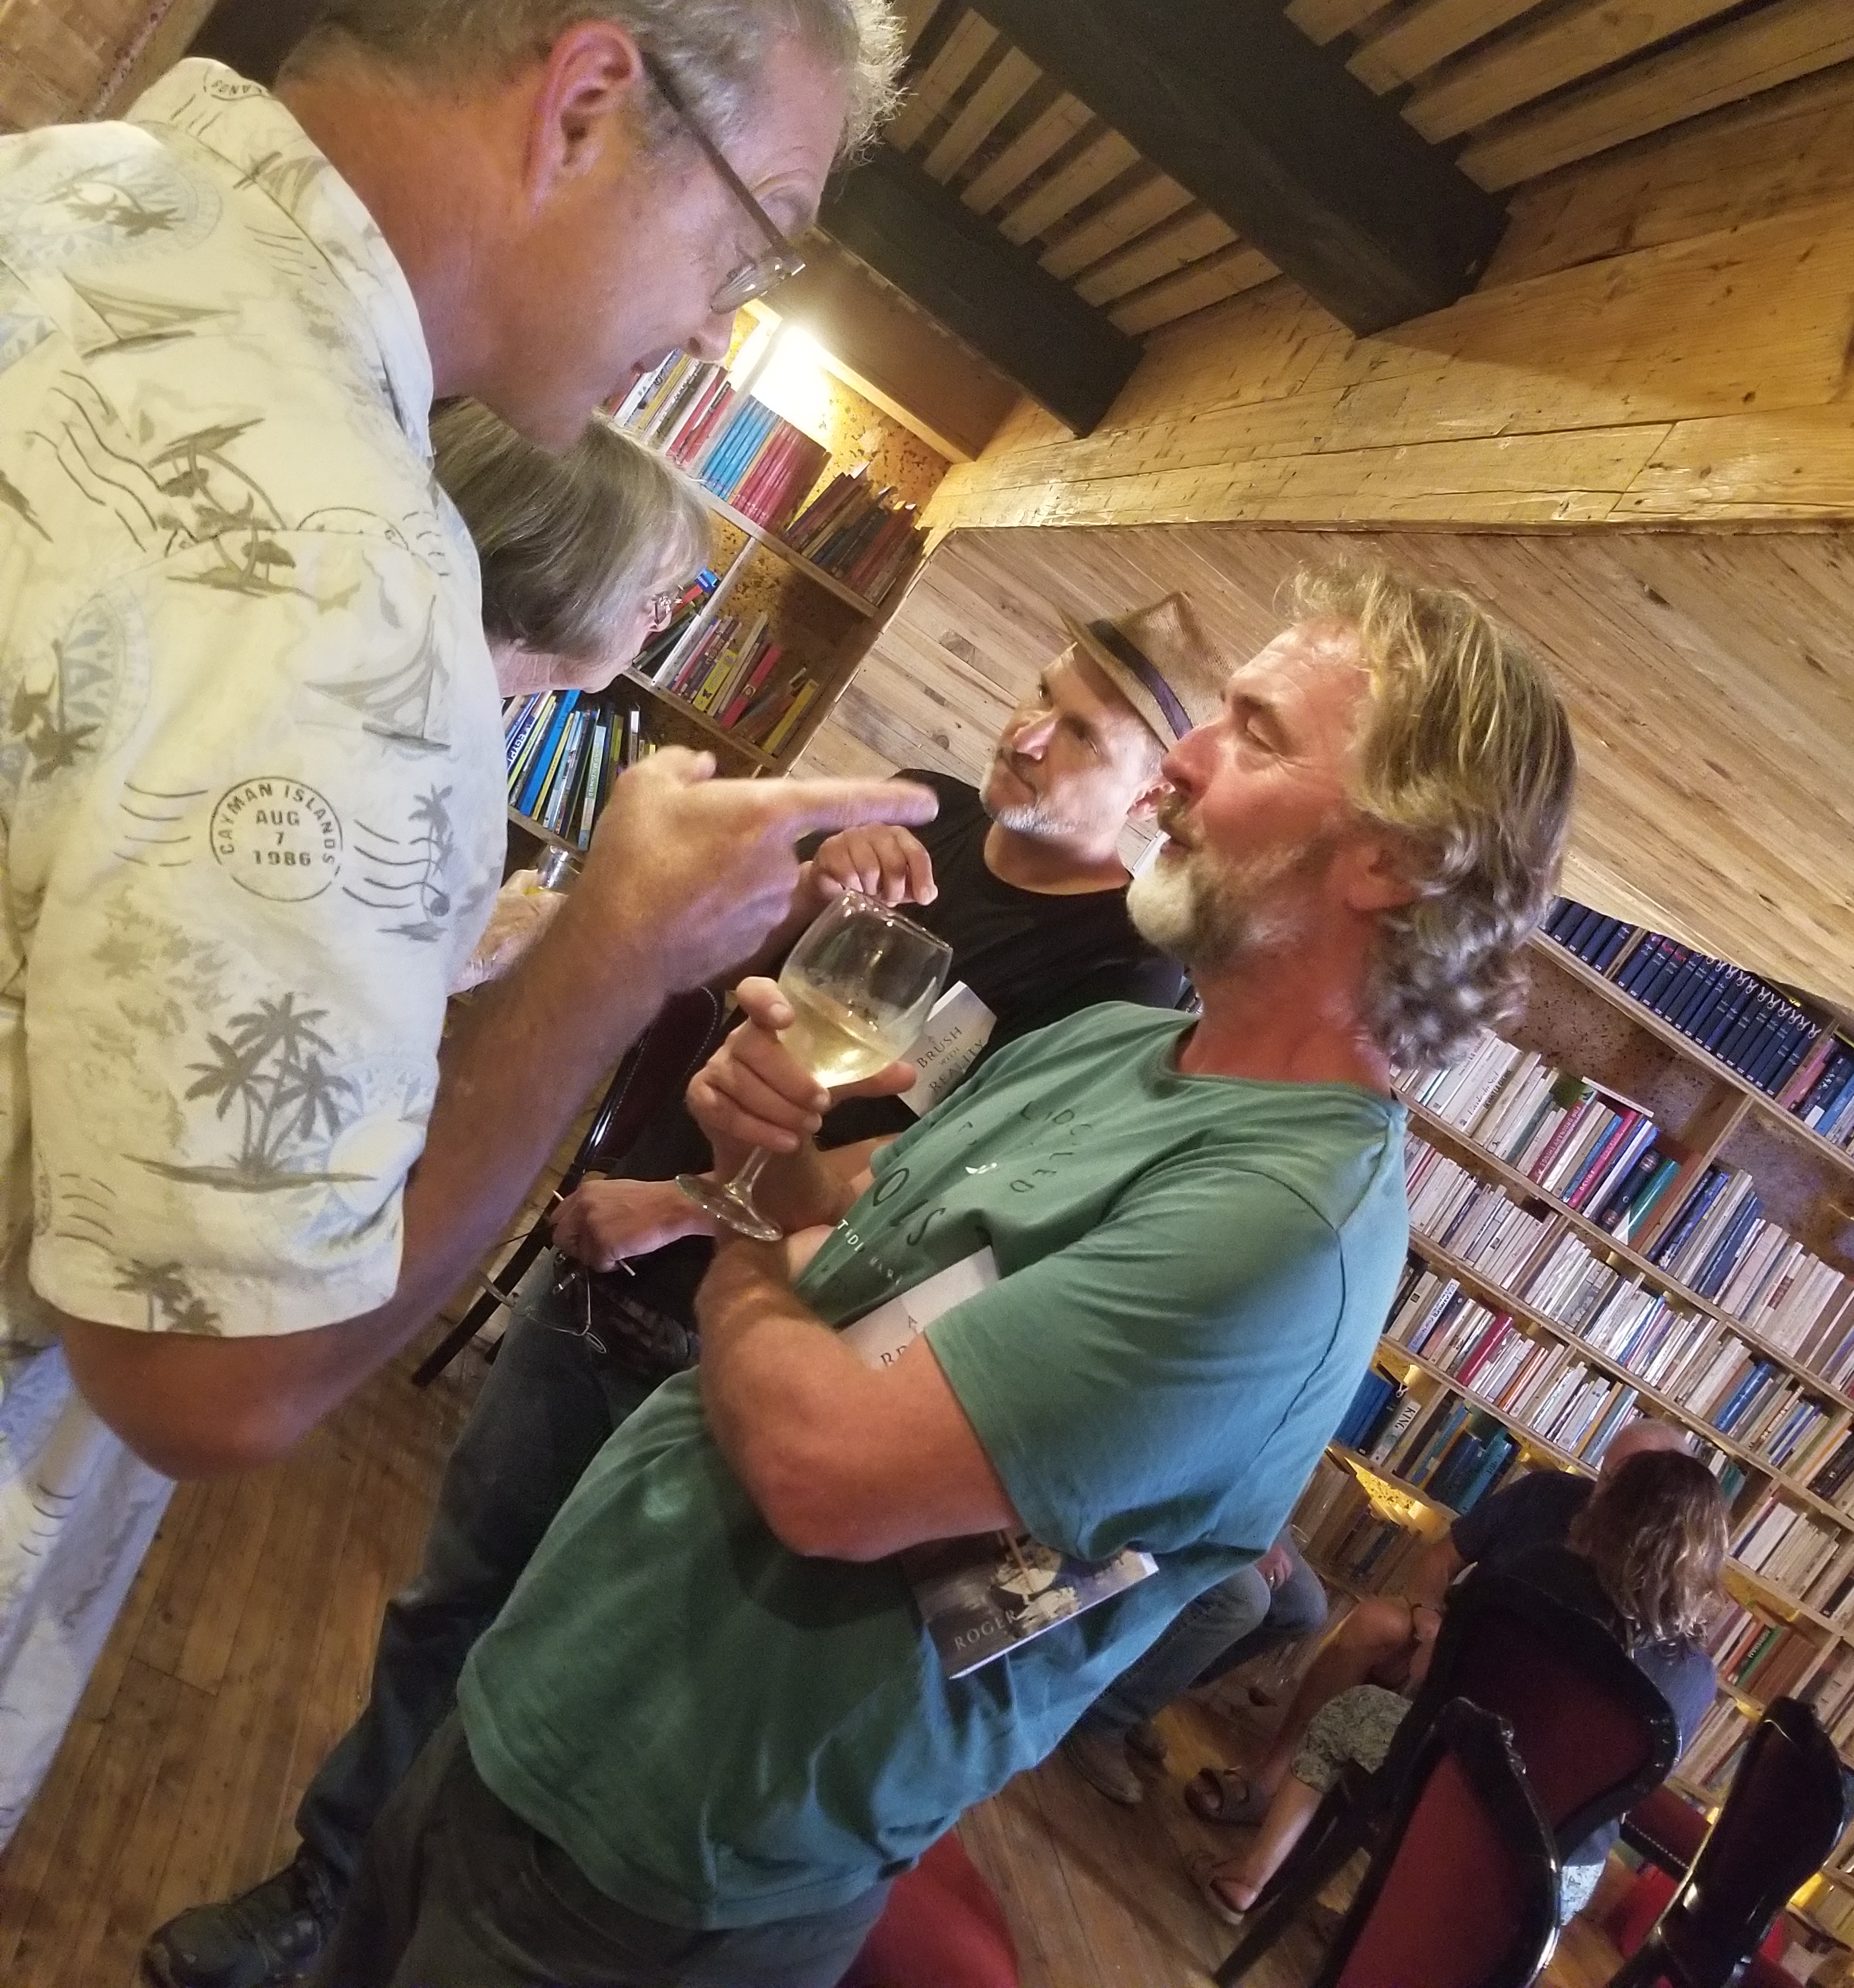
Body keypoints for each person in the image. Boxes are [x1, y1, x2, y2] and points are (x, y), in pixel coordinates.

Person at [305, 558, 1578, 1988]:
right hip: (551, 1692)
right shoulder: (1118, 1044)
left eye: (1255, 733)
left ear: (1394, 859)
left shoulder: (1279, 1231)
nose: (1183, 764)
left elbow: (823, 1467)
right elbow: (835, 1221)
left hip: (669, 1854)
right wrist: (753, 1142)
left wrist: (732, 1239)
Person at [0, 0, 915, 1852]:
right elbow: (215, 1375)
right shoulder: (343, 579)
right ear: (583, 104)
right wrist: (611, 952)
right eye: (750, 241)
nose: (715, 322)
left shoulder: (53, 194)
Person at [148, 599, 1196, 1988]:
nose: (1029, 734)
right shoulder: (926, 812)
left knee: (560, 1667)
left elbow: (938, 1182)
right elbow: (717, 985)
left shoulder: (1124, 981)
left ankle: (410, 1933)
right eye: (1039, 693)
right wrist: (802, 895)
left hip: (753, 1358)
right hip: (611, 1279)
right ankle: (328, 1889)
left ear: (1155, 790)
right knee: (452, 1600)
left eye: (1082, 732)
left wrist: (682, 1204)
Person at [1189, 1448, 1726, 1927]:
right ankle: (1386, 1941)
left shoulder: (1544, 1573)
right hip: (1556, 1872)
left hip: (1453, 1792)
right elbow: (1634, 1785)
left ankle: (1249, 1880)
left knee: (1348, 1714)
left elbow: (1433, 1674)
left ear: (1615, 1512)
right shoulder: (1699, 1678)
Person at [1183, 1414, 1692, 1827]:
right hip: (1455, 1633)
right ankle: (1271, 1781)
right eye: (1606, 1473)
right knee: (1373, 1622)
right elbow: (1440, 1560)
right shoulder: (1548, 1494)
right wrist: (1430, 1616)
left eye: (1623, 1481)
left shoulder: (1655, 1589)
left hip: (1517, 1696)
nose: (1603, 1491)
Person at [440, 398, 710, 990]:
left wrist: (470, 932)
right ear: (567, 578)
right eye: (658, 598)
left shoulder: (450, 695)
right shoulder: (423, 727)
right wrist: (474, 955)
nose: (660, 623)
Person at [1063, 1533, 1329, 1806]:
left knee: (1306, 1608)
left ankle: (1150, 1690)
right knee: (1246, 1600)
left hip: (1263, 1521)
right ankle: (1106, 1714)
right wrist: (1254, 1542)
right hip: (1217, 1516)